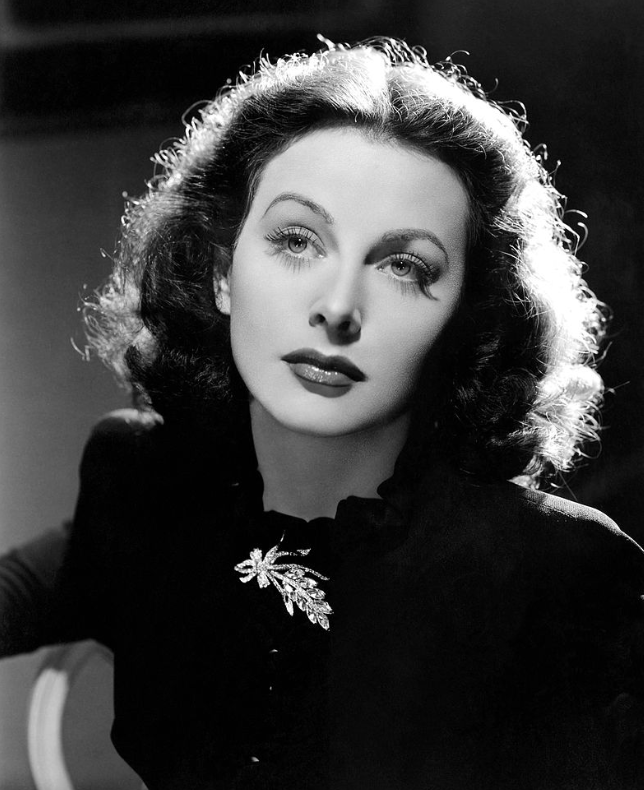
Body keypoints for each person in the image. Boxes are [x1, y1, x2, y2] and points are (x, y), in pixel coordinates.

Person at [1, 36, 643, 789]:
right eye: (297, 240)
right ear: (221, 273)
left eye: (404, 266)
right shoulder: (141, 478)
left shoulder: (557, 570)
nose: (338, 308)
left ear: (468, 322)